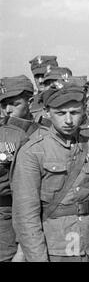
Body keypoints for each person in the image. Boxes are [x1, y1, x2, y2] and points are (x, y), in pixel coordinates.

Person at [11, 78, 89, 262]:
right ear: (47, 112)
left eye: (74, 112)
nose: (68, 120)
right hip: (54, 250)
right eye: (60, 113)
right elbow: (26, 216)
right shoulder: (33, 152)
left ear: (84, 111)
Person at [0, 75, 40, 262]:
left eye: (14, 104)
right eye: (3, 105)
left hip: (24, 218)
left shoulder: (44, 132)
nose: (7, 110)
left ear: (30, 102)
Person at [28, 55, 58, 120]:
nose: (40, 81)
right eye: (37, 76)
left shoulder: (66, 99)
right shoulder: (30, 104)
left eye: (44, 75)